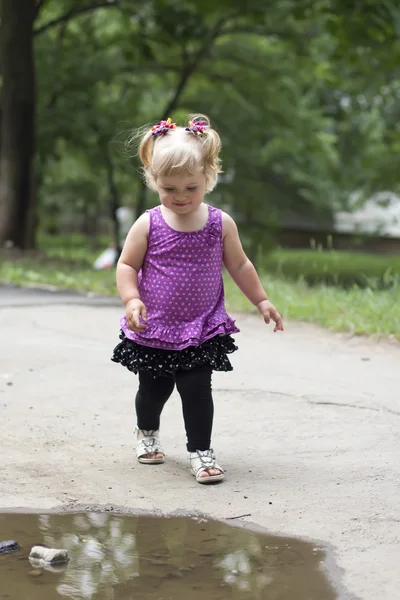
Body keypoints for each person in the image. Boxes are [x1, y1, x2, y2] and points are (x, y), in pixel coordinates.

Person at [111, 115, 283, 484]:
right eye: (169, 188)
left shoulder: (220, 223)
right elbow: (126, 265)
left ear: (209, 178)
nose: (181, 197)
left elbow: (240, 265)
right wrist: (131, 299)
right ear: (153, 181)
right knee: (153, 389)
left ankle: (201, 452)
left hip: (201, 326)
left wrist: (261, 300)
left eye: (191, 187)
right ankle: (147, 431)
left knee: (196, 388)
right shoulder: (149, 223)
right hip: (154, 326)